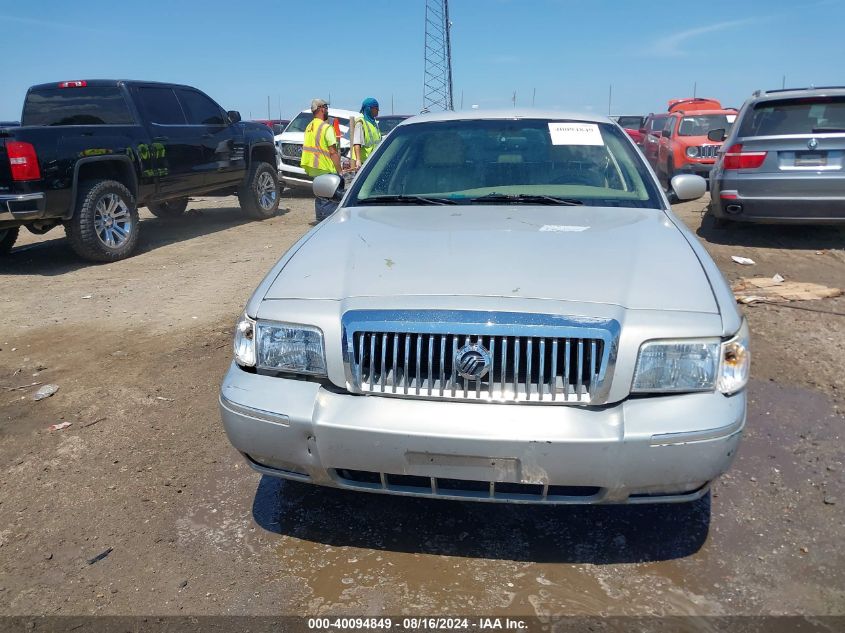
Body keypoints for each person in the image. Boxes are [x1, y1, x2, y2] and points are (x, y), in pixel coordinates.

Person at [300, 98, 344, 222]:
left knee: (320, 197)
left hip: (313, 168)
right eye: (326, 107)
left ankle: (320, 220)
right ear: (321, 109)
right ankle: (326, 222)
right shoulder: (326, 127)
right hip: (325, 167)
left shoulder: (309, 127)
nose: (327, 110)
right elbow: (333, 152)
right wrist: (340, 172)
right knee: (329, 199)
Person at [350, 97, 382, 170]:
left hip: (373, 160)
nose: (378, 110)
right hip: (363, 163)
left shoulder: (374, 123)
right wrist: (358, 160)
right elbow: (357, 143)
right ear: (369, 109)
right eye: (376, 108)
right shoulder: (361, 123)